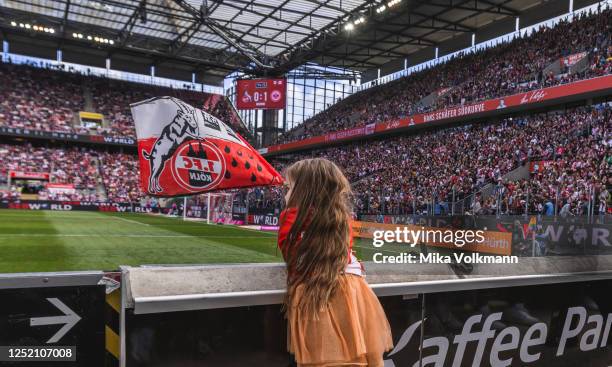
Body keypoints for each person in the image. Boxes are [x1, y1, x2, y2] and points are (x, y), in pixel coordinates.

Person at [278, 158, 393, 367]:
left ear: (304, 190)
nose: (285, 194)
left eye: (289, 188)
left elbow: (292, 260)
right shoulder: (342, 219)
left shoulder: (290, 217)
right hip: (355, 297)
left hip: (315, 301)